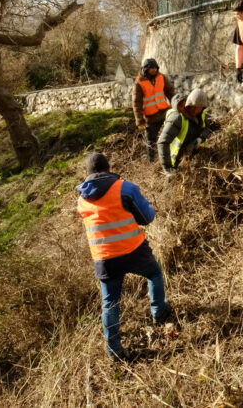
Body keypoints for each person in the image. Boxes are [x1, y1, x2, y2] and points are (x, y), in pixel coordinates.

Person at [76, 152, 170, 360]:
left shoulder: (81, 200)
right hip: (133, 250)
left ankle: (114, 350)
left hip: (104, 260)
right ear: (109, 168)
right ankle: (159, 312)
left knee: (110, 303)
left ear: (87, 174)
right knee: (154, 273)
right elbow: (147, 218)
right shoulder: (125, 188)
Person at [157, 88, 211, 178]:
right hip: (174, 163)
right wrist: (168, 169)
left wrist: (200, 138)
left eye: (199, 108)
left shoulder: (201, 114)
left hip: (192, 161)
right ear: (189, 104)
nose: (195, 111)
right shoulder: (177, 118)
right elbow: (162, 142)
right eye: (193, 107)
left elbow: (207, 128)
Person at [132, 58, 174, 163]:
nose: (154, 70)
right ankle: (152, 163)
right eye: (152, 68)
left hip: (165, 113)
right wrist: (140, 121)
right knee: (151, 142)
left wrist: (176, 106)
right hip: (150, 118)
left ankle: (171, 157)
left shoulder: (161, 77)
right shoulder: (139, 83)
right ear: (146, 69)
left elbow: (170, 92)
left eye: (156, 68)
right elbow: (136, 103)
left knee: (170, 136)